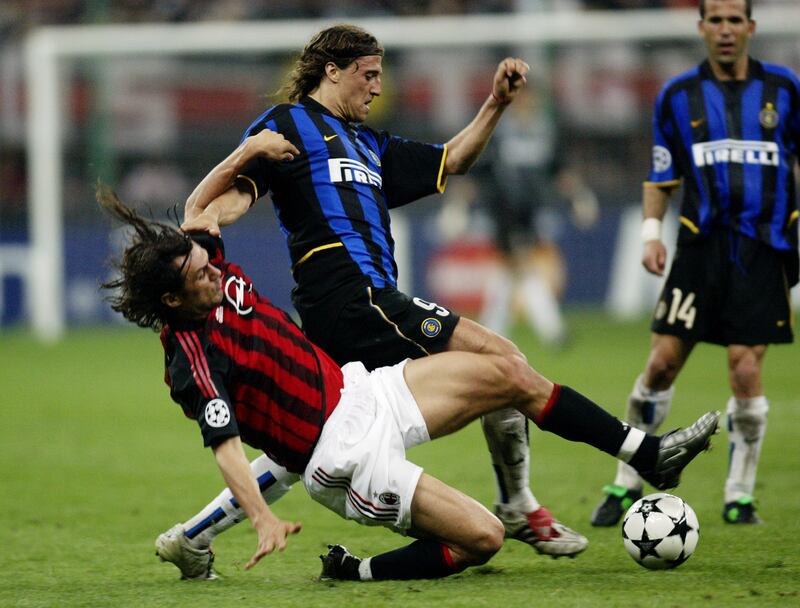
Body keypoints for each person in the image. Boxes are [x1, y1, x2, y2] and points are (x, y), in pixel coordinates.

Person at [98, 185, 719, 581]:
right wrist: (261, 517)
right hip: (340, 460)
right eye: (200, 275)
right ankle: (358, 571)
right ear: (173, 298)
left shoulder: (202, 265)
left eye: (208, 263)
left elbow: (204, 207)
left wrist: (253, 166)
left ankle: (647, 454)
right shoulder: (190, 354)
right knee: (485, 539)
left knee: (509, 372)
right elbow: (228, 449)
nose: (213, 270)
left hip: (362, 390)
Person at [158, 23, 589, 579]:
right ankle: (519, 503)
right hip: (346, 305)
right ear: (332, 70)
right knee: (498, 367)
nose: (378, 88)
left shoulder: (369, 142)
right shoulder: (285, 126)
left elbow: (452, 159)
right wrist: (219, 207)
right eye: (369, 74)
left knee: (305, 445)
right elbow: (223, 202)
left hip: (356, 307)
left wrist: (493, 104)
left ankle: (191, 537)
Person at [590, 0, 799, 528]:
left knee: (746, 369)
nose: (726, 30)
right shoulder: (678, 96)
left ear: (750, 27)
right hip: (699, 247)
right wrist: (649, 233)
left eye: (735, 20)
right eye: (716, 20)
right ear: (701, 27)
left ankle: (739, 495)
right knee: (661, 364)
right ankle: (626, 480)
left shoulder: (785, 90)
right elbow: (662, 173)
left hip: (764, 246)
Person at [477, 85, 598, 346]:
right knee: (521, 266)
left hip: (532, 210)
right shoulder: (499, 131)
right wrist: (460, 204)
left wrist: (578, 197)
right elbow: (480, 168)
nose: (526, 103)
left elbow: (559, 170)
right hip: (504, 209)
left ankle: (493, 331)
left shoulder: (544, 132)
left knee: (513, 269)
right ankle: (551, 331)